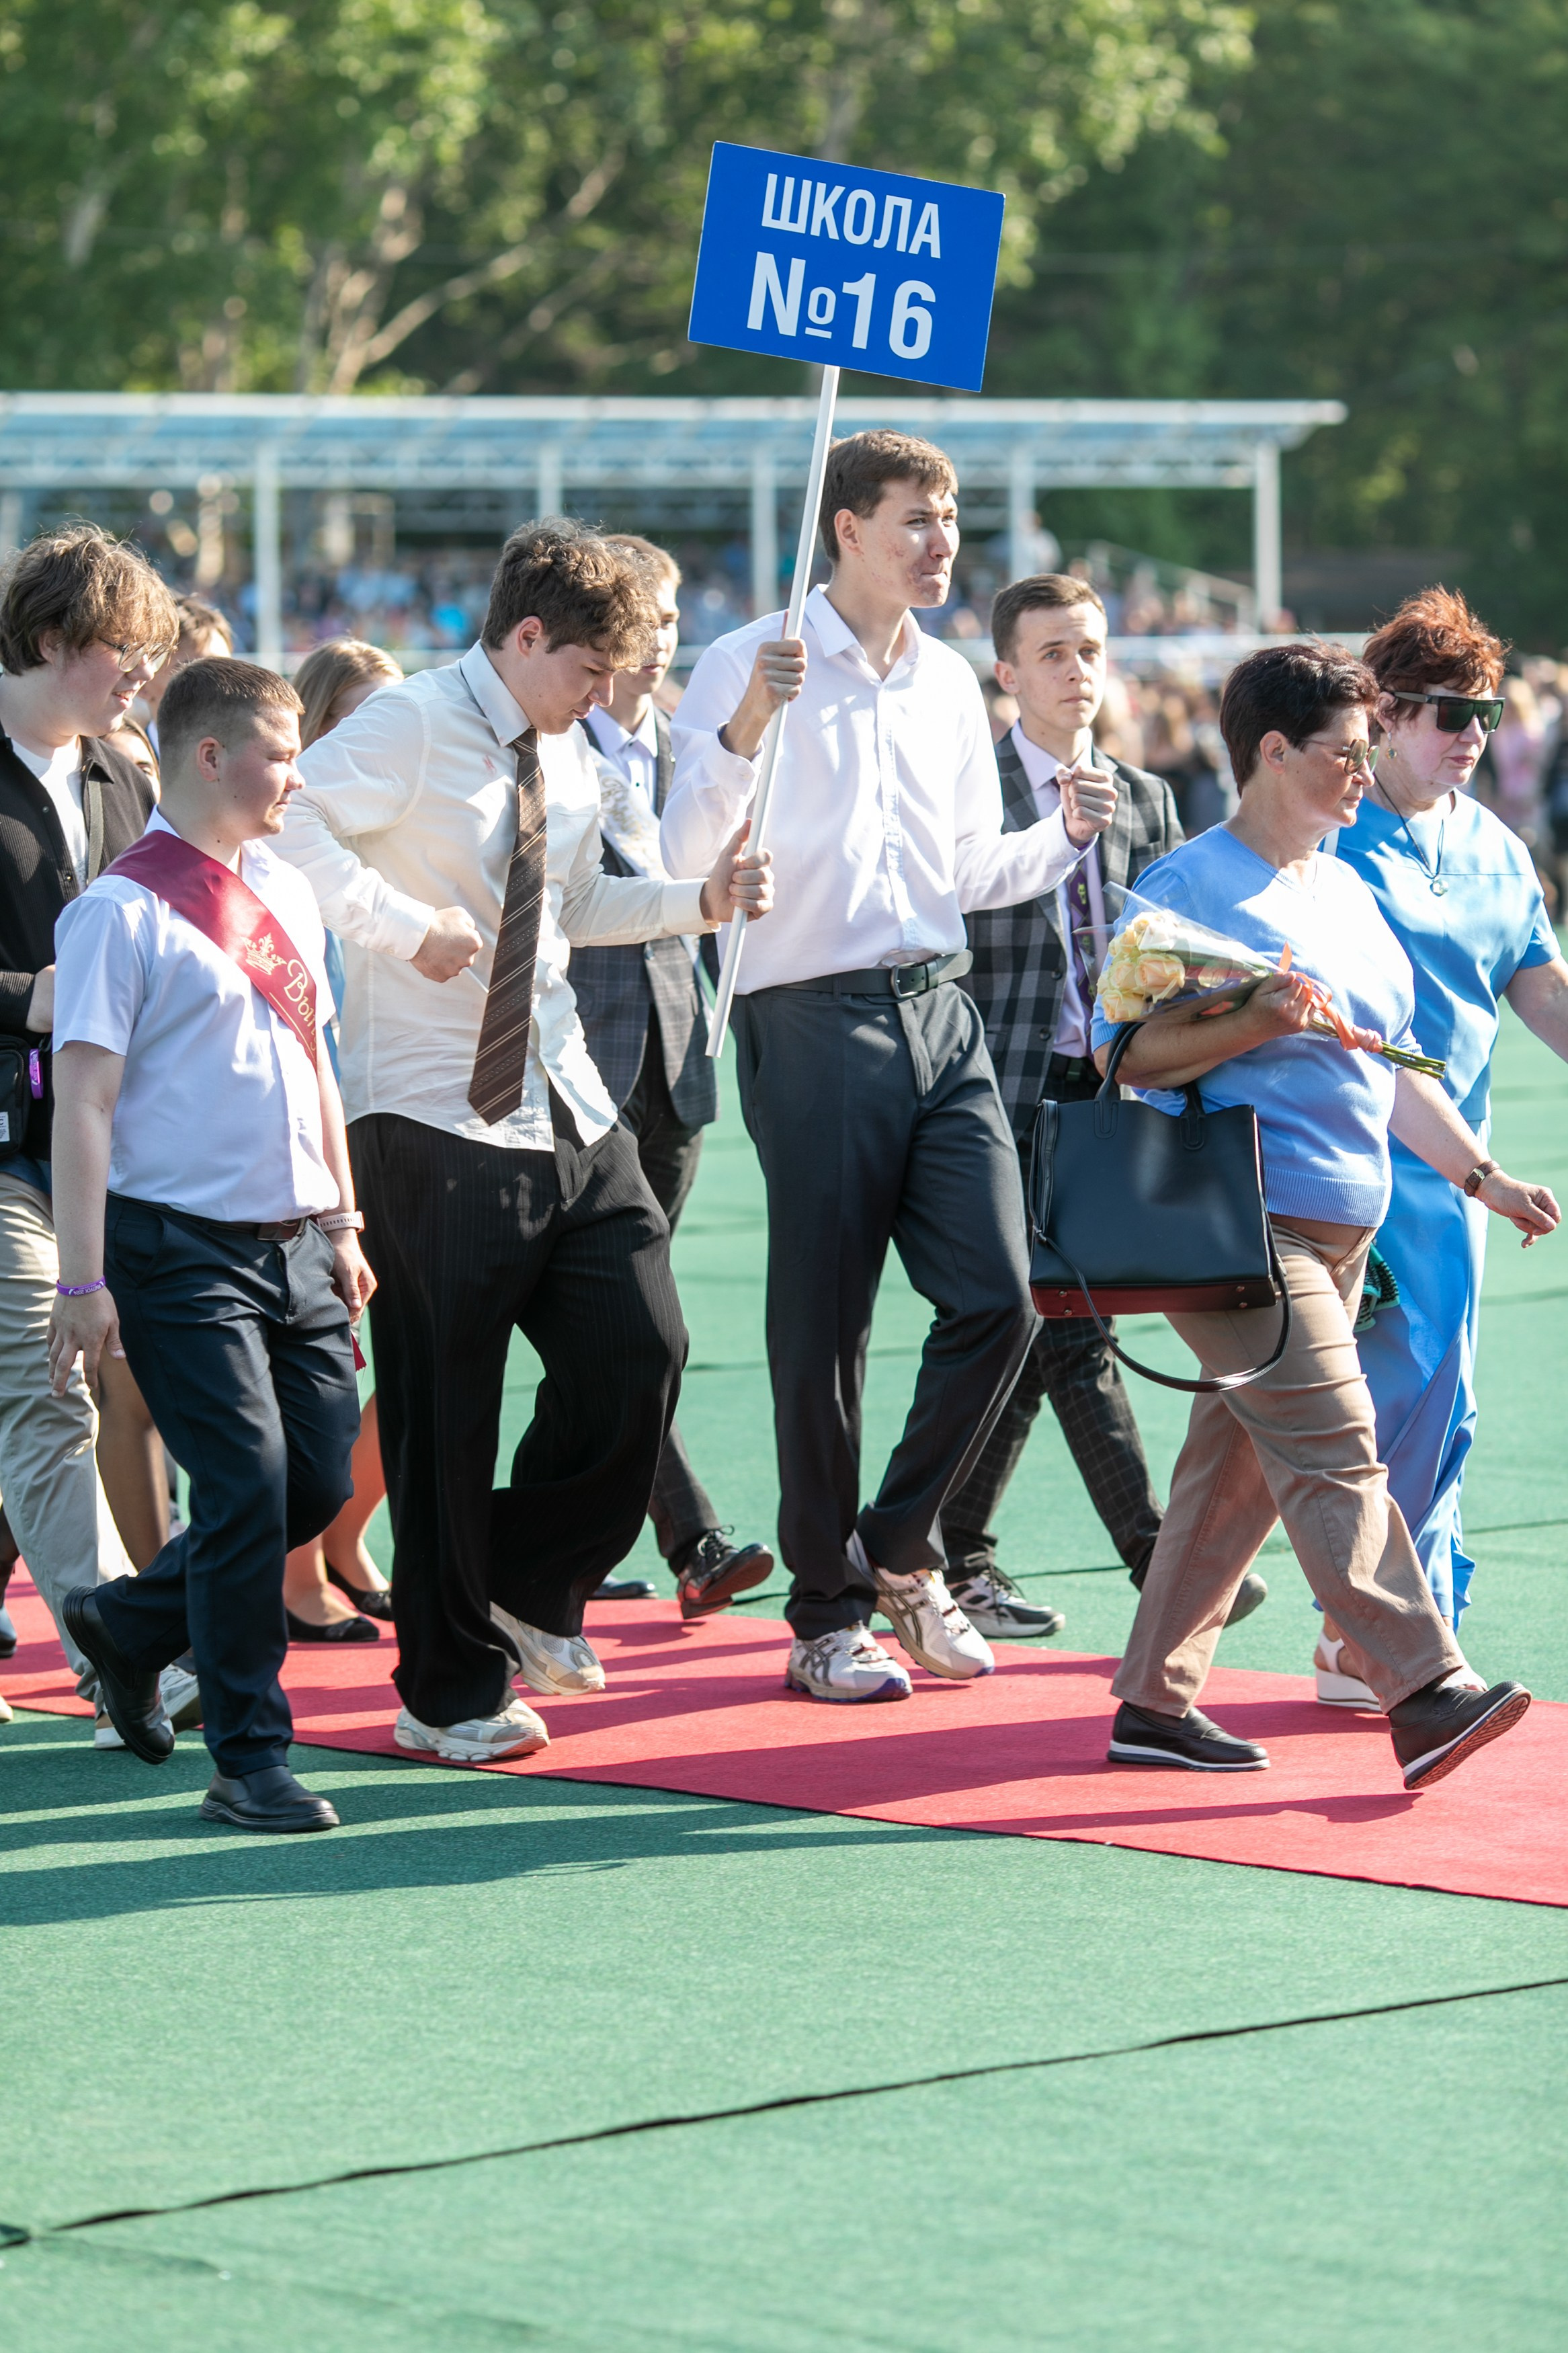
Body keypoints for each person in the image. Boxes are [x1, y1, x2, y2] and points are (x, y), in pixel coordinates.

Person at [277, 521, 772, 1766]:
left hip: (563, 1095)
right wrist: (396, 924)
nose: (608, 696)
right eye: (591, 670)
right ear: (529, 635)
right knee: (446, 1413)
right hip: (429, 1113)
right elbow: (284, 827)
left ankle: (513, 1576)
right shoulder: (408, 722)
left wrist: (697, 904)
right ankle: (444, 1694)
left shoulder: (571, 743)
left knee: (643, 1344)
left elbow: (585, 901)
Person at [664, 430, 1114, 1704]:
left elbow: (964, 870)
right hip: (805, 1016)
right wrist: (749, 722)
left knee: (1002, 1300)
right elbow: (683, 848)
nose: (941, 543)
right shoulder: (742, 661)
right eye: (916, 518)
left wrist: (1054, 845)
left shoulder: (942, 689)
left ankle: (896, 1547)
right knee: (827, 1325)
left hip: (941, 1011)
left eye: (951, 518)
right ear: (846, 527)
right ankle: (825, 1612)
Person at [1099, 642, 1547, 1790]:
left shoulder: (1339, 882)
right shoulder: (1185, 887)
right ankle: (1421, 1685)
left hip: (1345, 1219)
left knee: (1237, 1474)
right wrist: (1253, 1018)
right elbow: (1123, 1054)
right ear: (1269, 751)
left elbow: (1392, 1052)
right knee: (1338, 1447)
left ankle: (1150, 1703)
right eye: (1344, 751)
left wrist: (1475, 1173)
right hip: (1238, 1223)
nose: (1363, 771)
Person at [49, 658, 373, 1833]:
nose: (298, 777)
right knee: (243, 1487)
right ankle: (249, 1756)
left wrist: (340, 1217)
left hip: (296, 1242)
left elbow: (314, 1066)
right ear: (208, 757)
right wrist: (83, 1280)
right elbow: (82, 1103)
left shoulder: (286, 886)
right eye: (282, 754)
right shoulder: (117, 912)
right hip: (176, 1248)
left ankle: (125, 1625)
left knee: (316, 1482)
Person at [944, 573, 1269, 1640]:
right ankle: (1158, 1556)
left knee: (1050, 1322)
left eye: (1089, 649)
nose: (1077, 671)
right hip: (997, 1085)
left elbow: (1157, 949)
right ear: (1007, 672)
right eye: (1052, 653)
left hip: (1110, 1088)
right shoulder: (970, 790)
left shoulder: (1144, 796)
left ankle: (955, 1551)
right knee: (1067, 1324)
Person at [1316, 588, 1568, 1696]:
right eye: (1447, 713)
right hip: (1349, 1163)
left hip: (1459, 1176)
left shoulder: (1494, 847)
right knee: (1394, 1397)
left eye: (1486, 712)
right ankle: (1388, 1640)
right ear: (1383, 713)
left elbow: (1540, 986)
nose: (1473, 735)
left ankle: (1380, 1640)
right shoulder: (1329, 832)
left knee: (1442, 1401)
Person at [0, 521, 198, 1744]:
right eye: (126, 650)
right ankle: (127, 1649)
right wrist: (37, 994)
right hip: (9, 1149)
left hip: (121, 1145)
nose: (142, 676)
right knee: (44, 1391)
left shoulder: (128, 774)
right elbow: (71, 982)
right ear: (52, 637)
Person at [571, 534, 774, 1618]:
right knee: (629, 1314)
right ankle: (688, 1533)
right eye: (640, 619)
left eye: (668, 616)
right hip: (581, 1062)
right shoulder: (550, 744)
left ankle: (583, 1530)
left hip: (680, 1054)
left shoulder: (697, 747)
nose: (659, 640)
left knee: (616, 1318)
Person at [278, 639, 404, 1641]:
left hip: (398, 1113)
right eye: (364, 719)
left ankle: (348, 1534)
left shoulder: (408, 837)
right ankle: (291, 1568)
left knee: (404, 1356)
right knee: (322, 1364)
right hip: (323, 1128)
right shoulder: (284, 855)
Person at [134, 593, 233, 756]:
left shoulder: (254, 765)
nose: (214, 683)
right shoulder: (125, 771)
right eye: (190, 672)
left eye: (224, 669)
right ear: (142, 684)